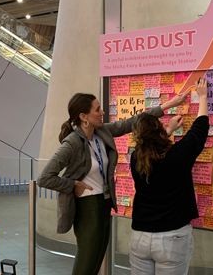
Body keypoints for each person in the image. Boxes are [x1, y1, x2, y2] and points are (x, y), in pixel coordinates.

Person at [37, 91, 188, 275]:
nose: (102, 113)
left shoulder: (101, 131)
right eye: (97, 110)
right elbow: (44, 178)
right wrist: (73, 184)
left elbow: (131, 122)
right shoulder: (72, 143)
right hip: (87, 208)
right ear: (83, 117)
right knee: (86, 263)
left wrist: (167, 105)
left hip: (104, 203)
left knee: (96, 260)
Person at [129, 79, 210, 275]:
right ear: (158, 131)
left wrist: (169, 130)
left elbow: (151, 148)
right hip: (172, 238)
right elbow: (199, 130)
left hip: (140, 237)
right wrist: (203, 97)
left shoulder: (136, 158)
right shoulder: (177, 156)